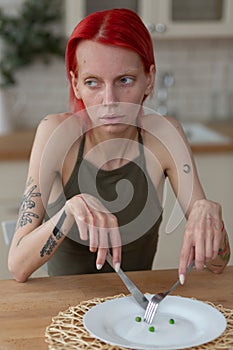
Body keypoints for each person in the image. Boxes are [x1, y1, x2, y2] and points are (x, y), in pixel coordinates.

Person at [8, 8, 230, 283]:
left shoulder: (165, 135)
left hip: (136, 316)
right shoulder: (56, 134)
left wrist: (210, 217)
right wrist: (67, 213)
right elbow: (17, 266)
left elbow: (219, 265)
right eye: (93, 83)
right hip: (63, 313)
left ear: (149, 79)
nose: (109, 100)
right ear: (75, 85)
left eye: (125, 80)